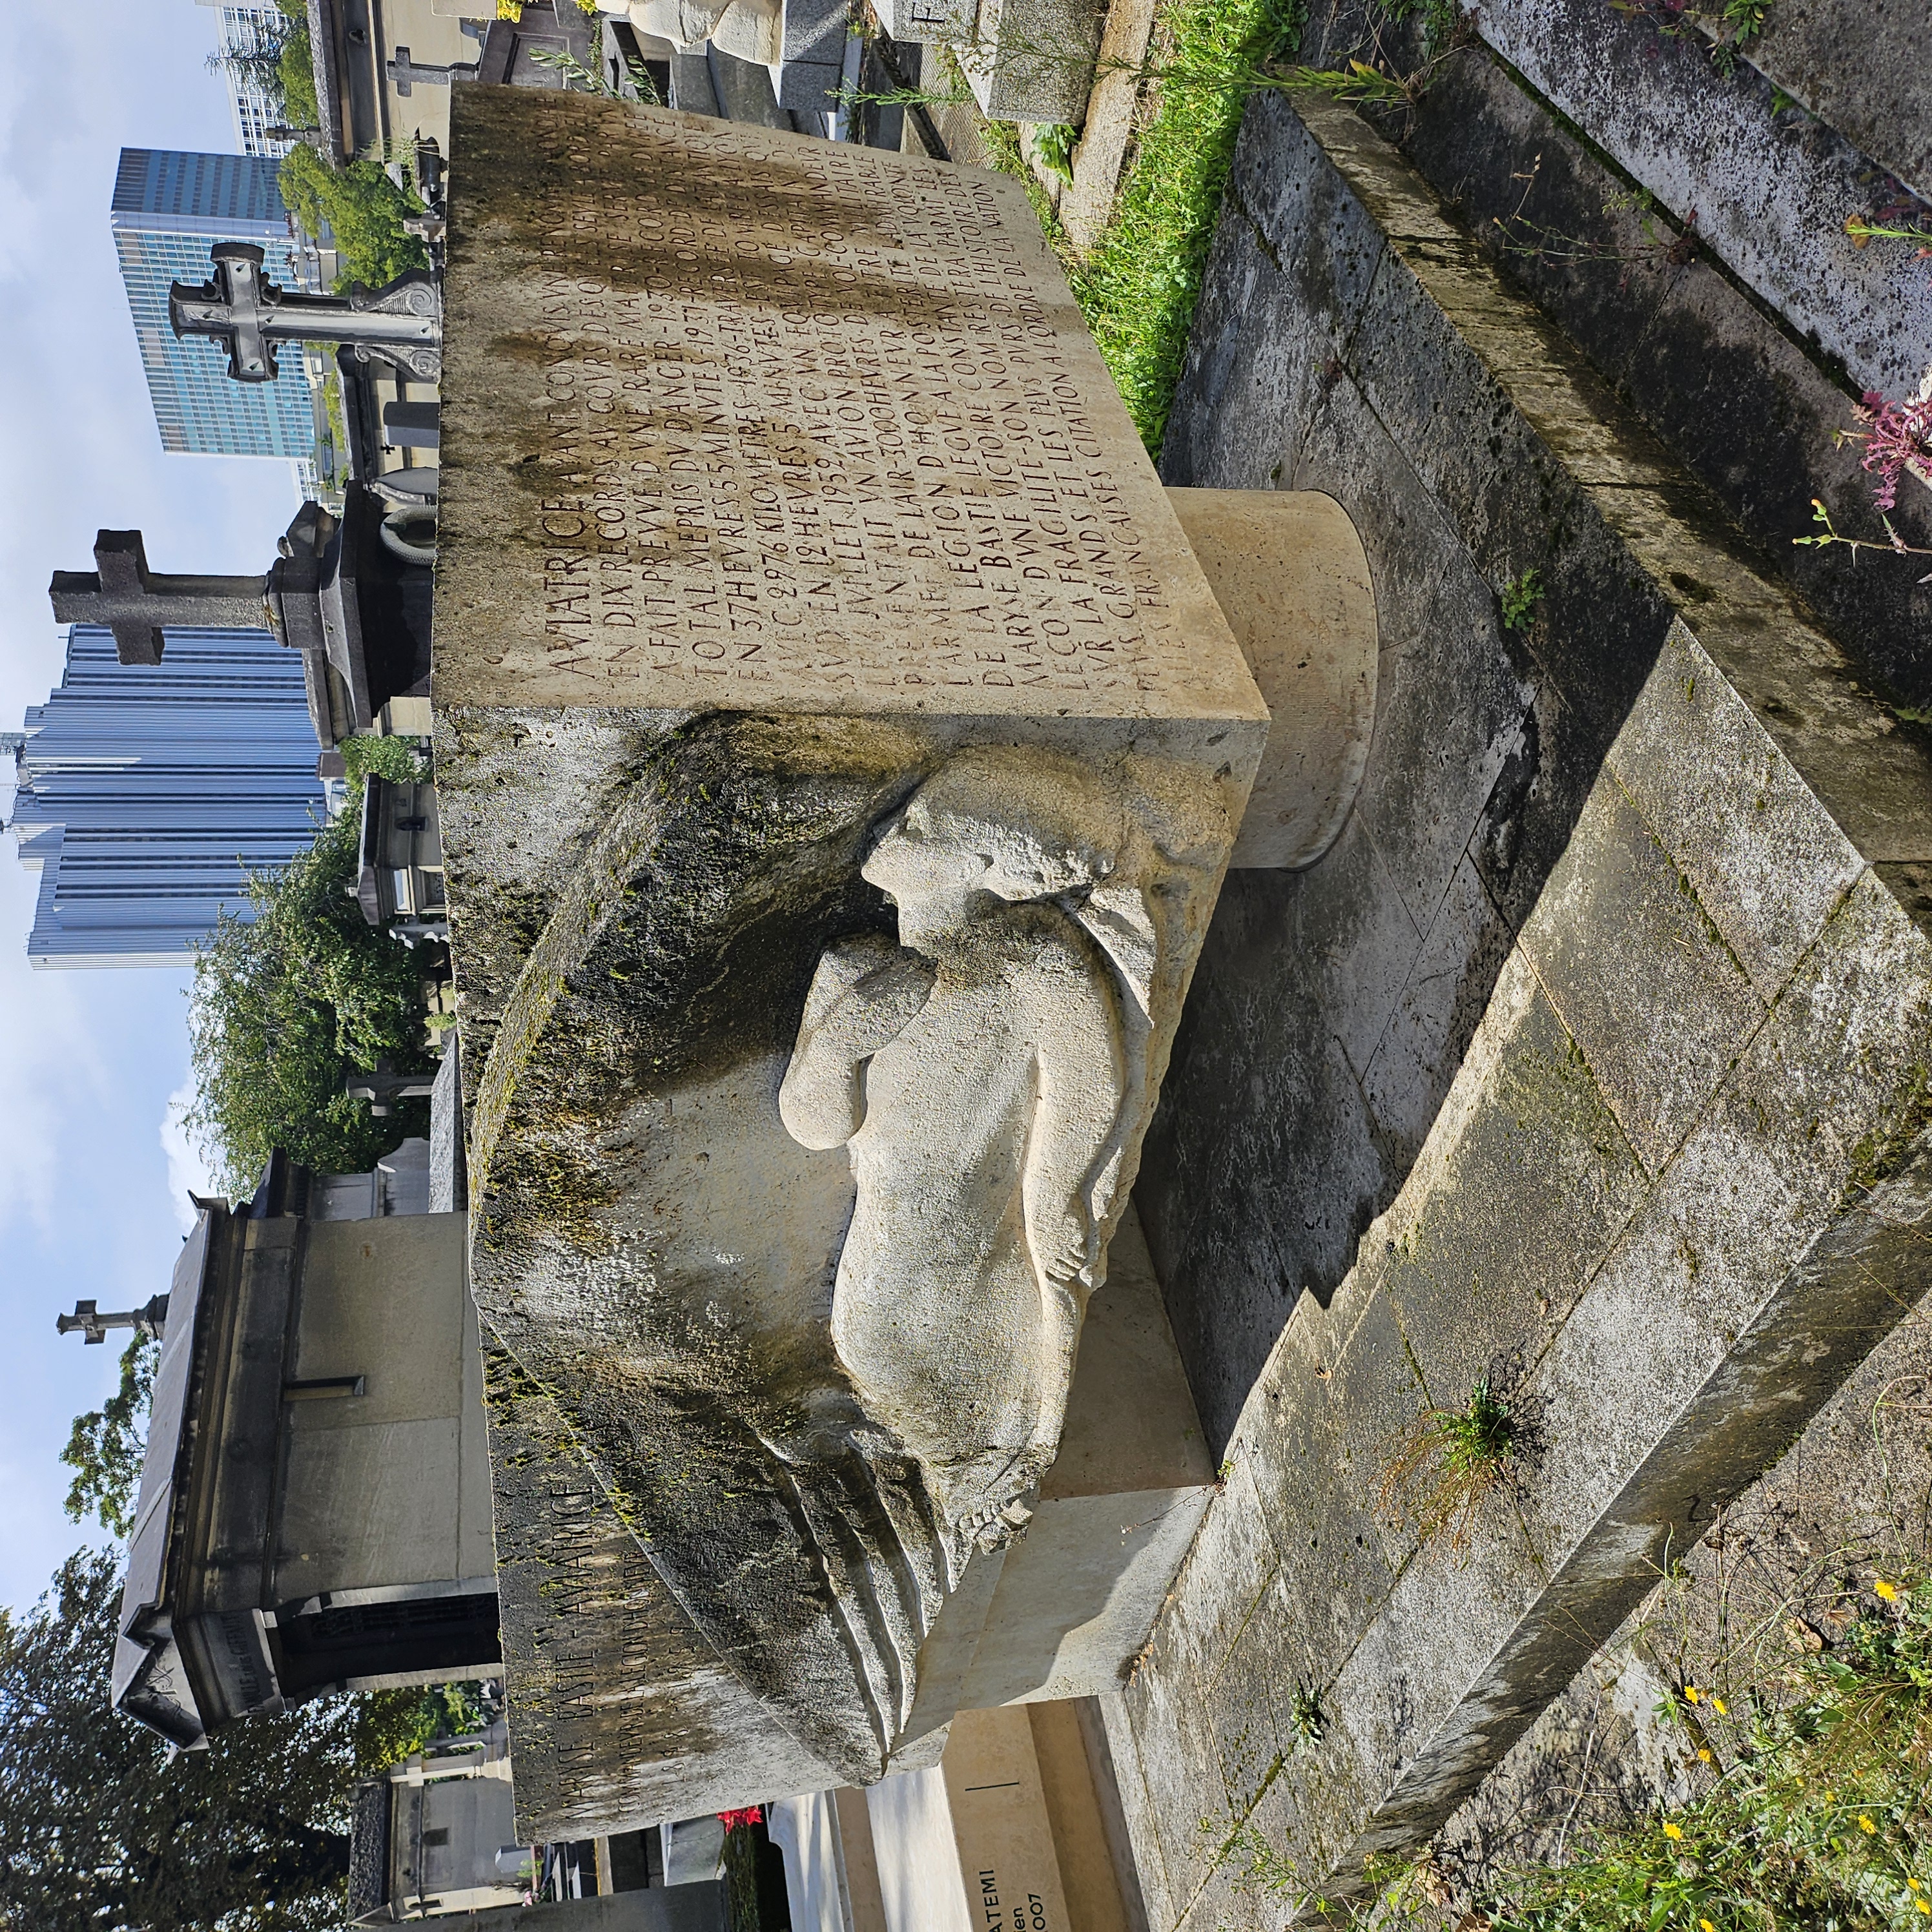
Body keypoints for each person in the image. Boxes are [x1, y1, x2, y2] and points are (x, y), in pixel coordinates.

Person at [779, 747, 1142, 1541]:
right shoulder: (854, 966)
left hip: (983, 1222)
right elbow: (813, 1123)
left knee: (987, 1354)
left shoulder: (1033, 956)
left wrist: (1054, 1198)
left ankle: (991, 1468)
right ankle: (968, 1475)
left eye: (919, 826)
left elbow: (1086, 1085)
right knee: (872, 1346)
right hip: (886, 1236)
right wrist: (835, 1047)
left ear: (978, 859)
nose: (891, 833)